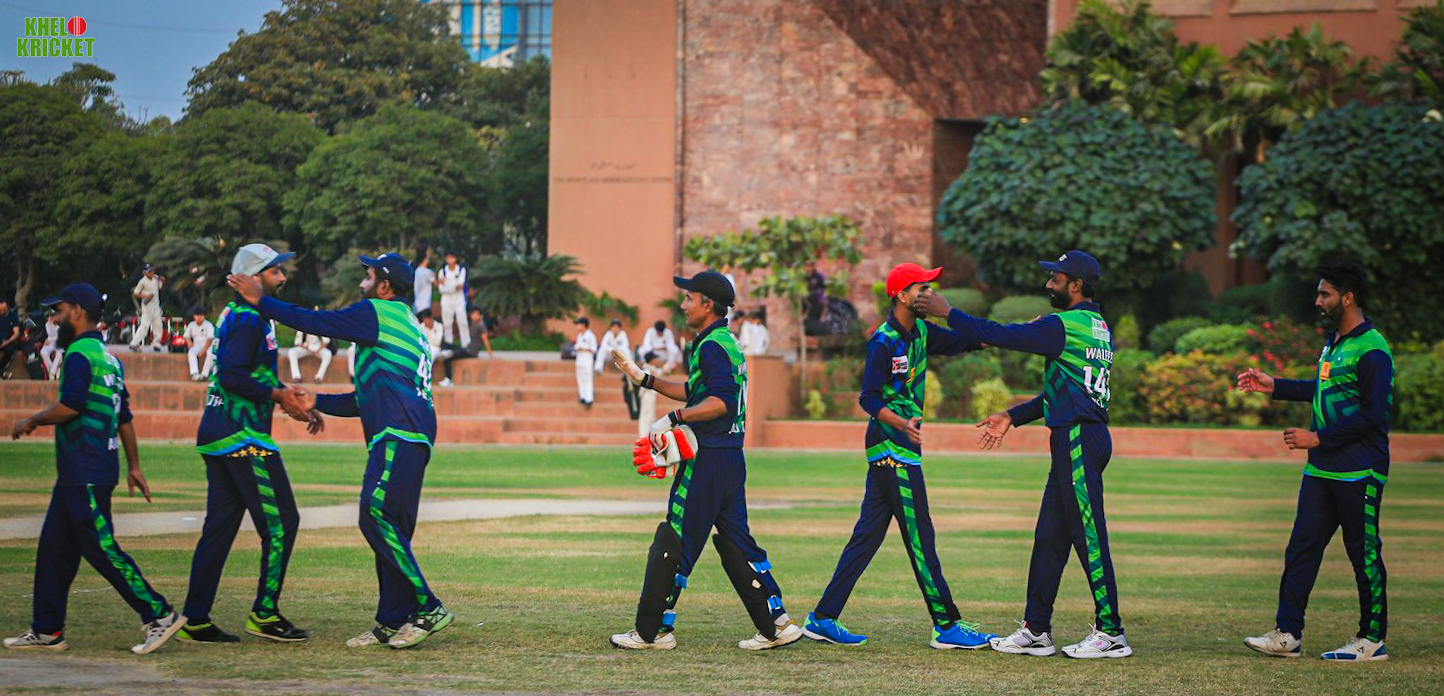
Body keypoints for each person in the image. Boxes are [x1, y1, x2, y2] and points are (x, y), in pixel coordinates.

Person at [228, 252, 451, 650]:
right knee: (391, 528)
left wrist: (261, 300)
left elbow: (317, 322)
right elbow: (364, 399)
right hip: (411, 435)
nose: (362, 280)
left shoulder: (376, 312)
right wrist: (318, 401)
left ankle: (429, 606)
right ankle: (391, 620)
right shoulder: (407, 323)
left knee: (374, 515)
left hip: (398, 433)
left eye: (368, 274)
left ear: (384, 286)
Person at [939, 250, 1129, 659]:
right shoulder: (1096, 326)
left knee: (1089, 536)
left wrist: (948, 312)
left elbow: (1001, 335)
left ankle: (1111, 632)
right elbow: (1063, 392)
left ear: (1075, 285)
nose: (1048, 284)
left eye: (1055, 279)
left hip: (1079, 439)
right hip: (1077, 438)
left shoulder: (1064, 325)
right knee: (1049, 539)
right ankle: (1036, 630)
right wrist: (1013, 415)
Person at [803, 263, 997, 650]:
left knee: (866, 539)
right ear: (901, 295)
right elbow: (868, 399)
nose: (928, 292)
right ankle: (947, 625)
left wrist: (1018, 334)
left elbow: (967, 341)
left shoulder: (922, 331)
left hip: (899, 449)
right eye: (921, 287)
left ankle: (822, 618)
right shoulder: (883, 341)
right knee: (921, 537)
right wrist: (901, 423)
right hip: (892, 447)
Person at [609, 271, 802, 651]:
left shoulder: (711, 345)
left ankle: (653, 632)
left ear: (708, 305)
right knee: (738, 543)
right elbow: (698, 390)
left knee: (676, 539)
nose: (684, 305)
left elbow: (719, 403)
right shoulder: (724, 341)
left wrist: (673, 418)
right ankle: (777, 624)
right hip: (730, 460)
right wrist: (644, 379)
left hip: (708, 460)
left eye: (689, 298)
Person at [4, 283, 184, 655]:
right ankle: (47, 629)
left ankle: (160, 614)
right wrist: (134, 467)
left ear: (78, 312)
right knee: (54, 549)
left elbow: (71, 405)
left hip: (85, 469)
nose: (55, 319)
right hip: (86, 469)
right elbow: (124, 418)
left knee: (100, 546)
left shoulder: (78, 354)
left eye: (59, 311)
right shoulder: (109, 357)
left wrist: (31, 420)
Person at [1237, 263, 1394, 662]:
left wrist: (1316, 438)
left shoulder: (1372, 348)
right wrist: (1275, 385)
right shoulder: (1334, 343)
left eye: (1325, 294)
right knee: (1301, 551)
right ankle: (1288, 633)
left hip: (1360, 470)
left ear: (1348, 298)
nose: (1318, 301)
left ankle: (1371, 639)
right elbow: (1324, 388)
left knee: (1364, 555)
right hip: (1321, 470)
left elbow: (1373, 414)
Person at [183, 244, 315, 645]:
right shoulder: (247, 319)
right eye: (275, 272)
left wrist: (289, 396)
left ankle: (195, 619)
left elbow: (249, 371)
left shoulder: (245, 315)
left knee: (220, 528)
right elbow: (232, 376)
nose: (283, 277)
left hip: (220, 433)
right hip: (242, 436)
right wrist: (277, 396)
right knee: (283, 522)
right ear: (253, 278)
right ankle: (264, 613)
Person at [437, 307, 493, 388]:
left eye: (477, 314)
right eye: (473, 314)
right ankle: (445, 351)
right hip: (467, 349)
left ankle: (449, 380)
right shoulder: (475, 324)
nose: (474, 316)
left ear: (480, 316)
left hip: (471, 352)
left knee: (447, 357)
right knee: (448, 345)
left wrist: (491, 355)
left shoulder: (481, 325)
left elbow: (485, 340)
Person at [597, 319, 636, 418]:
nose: (615, 329)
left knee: (626, 350)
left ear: (619, 328)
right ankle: (598, 368)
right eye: (613, 327)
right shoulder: (608, 334)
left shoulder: (623, 334)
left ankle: (630, 367)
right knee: (602, 349)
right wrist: (612, 350)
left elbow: (625, 346)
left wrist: (617, 351)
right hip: (610, 354)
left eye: (616, 327)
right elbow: (604, 345)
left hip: (619, 354)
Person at [287, 315, 334, 384]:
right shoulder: (301, 327)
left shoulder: (320, 327)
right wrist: (305, 347)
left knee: (328, 354)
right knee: (292, 352)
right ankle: (296, 376)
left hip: (318, 349)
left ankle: (319, 377)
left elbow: (326, 342)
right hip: (305, 349)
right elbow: (297, 343)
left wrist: (318, 350)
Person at [437, 252, 470, 350]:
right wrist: (453, 287)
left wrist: (446, 284)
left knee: (463, 322)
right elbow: (441, 289)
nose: (450, 260)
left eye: (452, 258)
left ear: (455, 259)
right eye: (448, 258)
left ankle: (466, 346)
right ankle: (449, 346)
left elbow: (460, 287)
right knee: (447, 324)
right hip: (446, 301)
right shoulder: (442, 271)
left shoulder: (461, 270)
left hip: (459, 300)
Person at [130, 264, 164, 353]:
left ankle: (156, 343)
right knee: (145, 325)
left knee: (158, 325)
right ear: (145, 273)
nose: (151, 273)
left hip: (156, 305)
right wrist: (145, 296)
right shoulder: (142, 282)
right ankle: (134, 343)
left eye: (152, 271)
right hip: (147, 305)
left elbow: (160, 286)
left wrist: (162, 280)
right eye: (149, 272)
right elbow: (136, 293)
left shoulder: (155, 279)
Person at [635, 351, 665, 437]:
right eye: (655, 358)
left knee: (650, 416)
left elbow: (658, 372)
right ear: (651, 360)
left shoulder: (651, 368)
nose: (656, 360)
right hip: (647, 395)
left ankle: (647, 436)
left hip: (651, 395)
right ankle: (643, 436)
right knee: (646, 416)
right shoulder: (647, 370)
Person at [183, 308, 216, 382]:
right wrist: (189, 342)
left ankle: (204, 375)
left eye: (201, 315)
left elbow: (210, 339)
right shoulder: (191, 325)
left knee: (210, 354)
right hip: (197, 344)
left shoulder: (208, 325)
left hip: (208, 344)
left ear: (204, 316)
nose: (199, 317)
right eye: (197, 315)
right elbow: (186, 336)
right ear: (194, 316)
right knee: (191, 352)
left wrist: (203, 351)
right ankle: (194, 373)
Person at [573, 317, 597, 407]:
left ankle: (589, 399)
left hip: (587, 361)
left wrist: (583, 348)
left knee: (587, 379)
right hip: (579, 361)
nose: (577, 327)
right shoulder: (579, 336)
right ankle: (582, 396)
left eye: (578, 324)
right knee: (580, 379)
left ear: (583, 325)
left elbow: (594, 349)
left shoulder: (590, 336)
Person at [0, 299, 23, 379]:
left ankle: (1, 368)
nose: (2, 312)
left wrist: (7, 341)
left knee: (10, 350)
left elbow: (16, 333)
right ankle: (2, 372)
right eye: (0, 310)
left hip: (8, 340)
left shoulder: (13, 316)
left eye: (4, 310)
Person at [40, 312, 63, 380]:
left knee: (59, 353)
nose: (50, 318)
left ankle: (52, 372)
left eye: (52, 317)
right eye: (49, 317)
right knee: (43, 352)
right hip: (50, 344)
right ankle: (52, 369)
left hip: (59, 343)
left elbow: (59, 336)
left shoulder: (60, 325)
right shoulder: (47, 325)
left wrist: (49, 339)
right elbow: (49, 335)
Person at [412, 250, 435, 316]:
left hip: (417, 304)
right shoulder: (428, 272)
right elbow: (436, 283)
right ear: (425, 259)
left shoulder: (416, 271)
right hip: (425, 304)